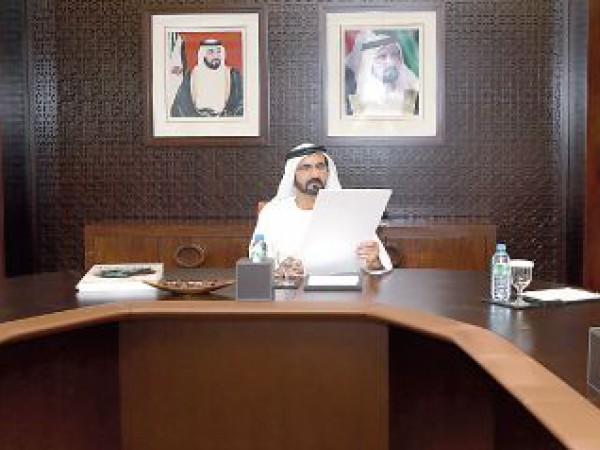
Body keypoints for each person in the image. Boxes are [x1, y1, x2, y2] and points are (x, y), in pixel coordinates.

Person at [250, 143, 392, 278]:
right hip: (291, 290)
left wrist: (374, 261)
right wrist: (279, 271)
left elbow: (381, 268)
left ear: (327, 172)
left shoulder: (349, 211)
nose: (315, 174)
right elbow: (258, 262)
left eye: (320, 166)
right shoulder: (273, 212)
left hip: (344, 290)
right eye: (306, 168)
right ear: (292, 174)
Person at [345, 31, 419, 117]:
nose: (391, 62)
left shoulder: (411, 90)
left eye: (395, 54)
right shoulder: (356, 96)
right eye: (382, 56)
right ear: (369, 62)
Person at [170, 38, 243, 118]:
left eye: (218, 51)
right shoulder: (192, 75)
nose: (216, 56)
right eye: (211, 52)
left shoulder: (232, 75)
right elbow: (180, 106)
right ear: (203, 55)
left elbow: (241, 104)